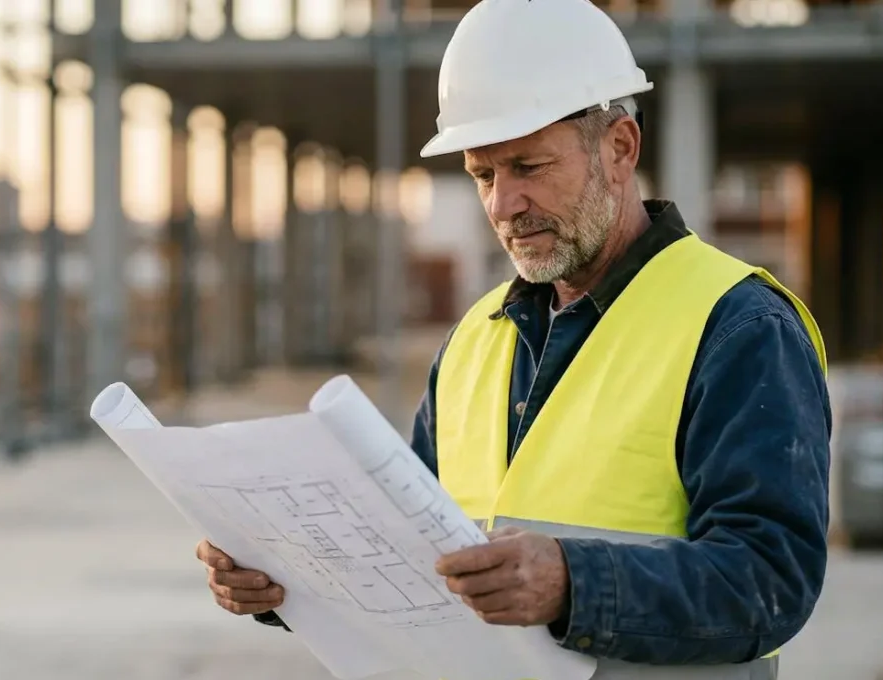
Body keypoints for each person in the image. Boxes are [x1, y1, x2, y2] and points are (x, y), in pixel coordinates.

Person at [194, 0, 832, 677]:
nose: (503, 205)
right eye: (483, 175)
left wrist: (572, 585)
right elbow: (410, 555)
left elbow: (770, 579)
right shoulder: (476, 338)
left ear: (620, 148)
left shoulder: (738, 327)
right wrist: (286, 574)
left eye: (529, 166)